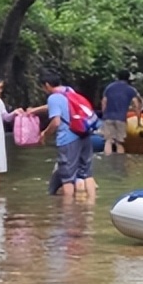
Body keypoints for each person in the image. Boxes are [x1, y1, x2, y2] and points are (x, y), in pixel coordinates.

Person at [27, 70, 97, 201]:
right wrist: (35, 110)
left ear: (47, 85)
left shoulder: (53, 97)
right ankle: (91, 207)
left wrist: (45, 134)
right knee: (87, 173)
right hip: (84, 133)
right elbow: (57, 106)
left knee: (67, 178)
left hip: (68, 139)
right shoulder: (69, 91)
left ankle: (68, 212)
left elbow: (56, 122)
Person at [100, 70, 142, 155]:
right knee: (119, 142)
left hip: (108, 117)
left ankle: (107, 163)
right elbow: (136, 105)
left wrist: (104, 114)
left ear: (117, 77)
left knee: (108, 141)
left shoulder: (109, 87)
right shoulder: (130, 90)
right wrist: (138, 120)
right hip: (121, 119)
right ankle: (120, 165)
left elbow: (104, 101)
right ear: (128, 78)